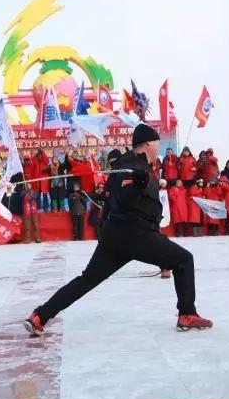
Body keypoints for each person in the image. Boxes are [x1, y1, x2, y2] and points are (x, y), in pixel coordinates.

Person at [24, 123, 212, 335]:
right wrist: (139, 184)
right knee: (184, 259)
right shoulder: (133, 166)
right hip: (136, 234)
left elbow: (116, 200)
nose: (158, 149)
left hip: (116, 235)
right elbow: (126, 197)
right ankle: (187, 314)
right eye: (157, 144)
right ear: (148, 144)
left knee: (87, 280)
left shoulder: (133, 166)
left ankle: (40, 315)